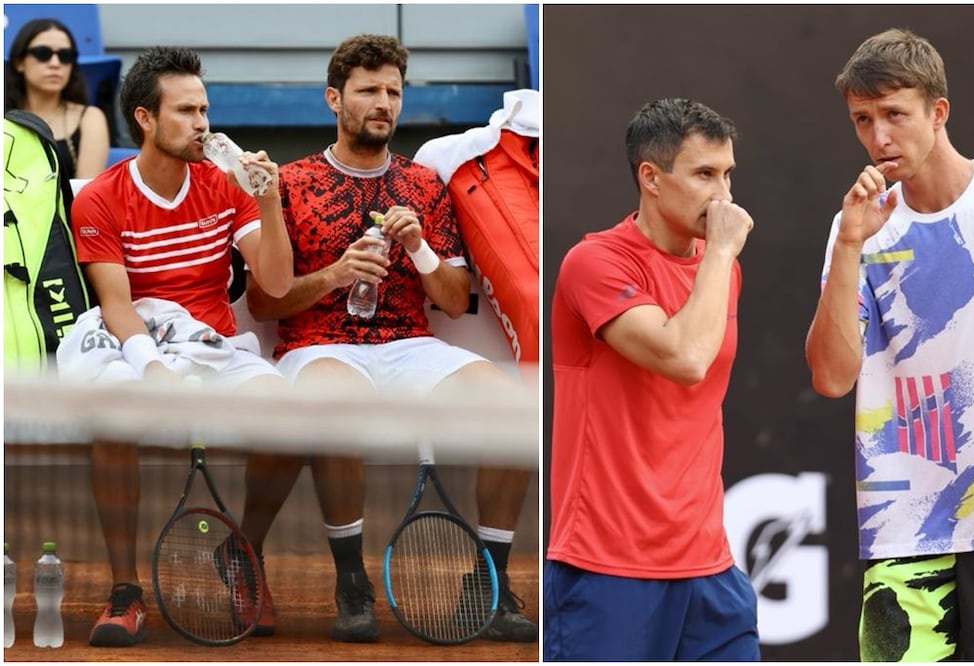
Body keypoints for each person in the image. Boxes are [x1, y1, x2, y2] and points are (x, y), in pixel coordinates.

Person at [239, 33, 538, 643]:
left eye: (393, 92)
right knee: (335, 402)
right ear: (334, 98)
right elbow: (266, 302)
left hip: (410, 345)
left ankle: (489, 583)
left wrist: (418, 246)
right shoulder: (289, 184)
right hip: (315, 344)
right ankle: (352, 580)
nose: (384, 103)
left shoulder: (425, 185)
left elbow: (455, 301)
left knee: (513, 405)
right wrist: (335, 274)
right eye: (369, 90)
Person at [805, 28, 974, 661]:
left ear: (938, 112)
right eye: (862, 120)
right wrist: (848, 245)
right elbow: (830, 376)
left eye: (894, 114)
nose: (878, 138)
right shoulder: (855, 232)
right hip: (902, 530)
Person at [66, 45, 293, 647]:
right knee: (111, 417)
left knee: (293, 417)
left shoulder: (226, 186)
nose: (203, 123)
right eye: (187, 110)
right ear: (145, 118)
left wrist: (268, 198)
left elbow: (273, 283)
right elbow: (115, 305)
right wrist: (152, 370)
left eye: (205, 108)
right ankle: (124, 590)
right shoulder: (98, 197)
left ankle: (243, 553)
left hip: (215, 344)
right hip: (135, 341)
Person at [544, 97, 759, 661]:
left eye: (727, 174)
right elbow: (684, 358)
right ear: (651, 178)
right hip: (607, 569)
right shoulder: (594, 263)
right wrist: (719, 253)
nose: (724, 196)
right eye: (704, 175)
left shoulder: (721, 268)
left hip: (710, 567)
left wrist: (716, 258)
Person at [5, 17, 110, 179]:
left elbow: (86, 194)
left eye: (66, 55)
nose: (55, 63)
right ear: (19, 62)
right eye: (43, 53)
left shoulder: (90, 118)